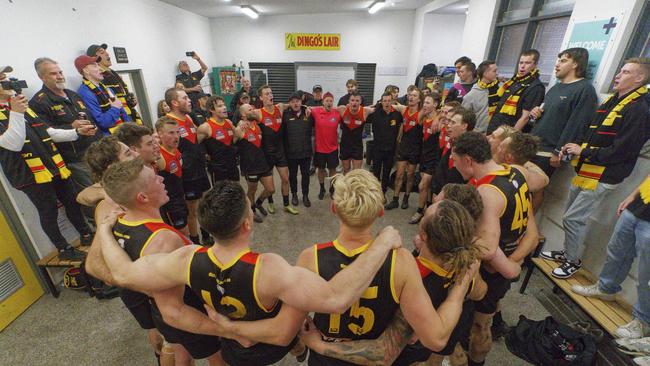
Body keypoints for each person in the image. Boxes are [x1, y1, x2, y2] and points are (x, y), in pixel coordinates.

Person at [97, 178, 402, 365]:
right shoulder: (270, 268)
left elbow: (122, 274)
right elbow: (336, 298)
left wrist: (104, 231)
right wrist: (383, 241)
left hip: (231, 348)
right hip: (265, 348)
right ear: (247, 223)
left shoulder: (186, 258)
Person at [300, 199, 487, 366]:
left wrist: (320, 345)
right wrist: (459, 291)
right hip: (432, 345)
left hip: (403, 354)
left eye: (427, 210)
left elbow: (384, 353)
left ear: (424, 235)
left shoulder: (410, 275)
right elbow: (480, 292)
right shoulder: (467, 264)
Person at [98, 159, 224, 365]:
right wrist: (228, 329)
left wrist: (103, 229)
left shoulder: (120, 221)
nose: (161, 178)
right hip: (188, 310)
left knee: (180, 355)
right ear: (143, 197)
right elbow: (174, 311)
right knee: (219, 357)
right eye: (154, 179)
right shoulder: (162, 239)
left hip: (157, 308)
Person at [541, 58, 650, 279]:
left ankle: (572, 260)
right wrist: (577, 147)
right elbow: (592, 133)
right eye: (620, 70)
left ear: (640, 78)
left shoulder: (639, 108)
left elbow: (623, 150)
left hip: (605, 174)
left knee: (573, 218)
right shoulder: (613, 101)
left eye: (626, 72)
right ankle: (567, 252)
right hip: (587, 168)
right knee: (571, 214)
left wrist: (585, 151)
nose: (618, 75)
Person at [451, 131, 539, 366]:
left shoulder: (487, 192)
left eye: (456, 160)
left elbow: (487, 249)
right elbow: (532, 231)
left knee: (459, 330)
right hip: (506, 264)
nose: (454, 165)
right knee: (484, 323)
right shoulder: (516, 171)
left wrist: (509, 267)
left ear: (468, 160)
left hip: (487, 272)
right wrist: (516, 260)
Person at [81, 137, 170, 364]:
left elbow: (85, 193)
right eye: (127, 153)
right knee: (165, 344)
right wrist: (140, 285)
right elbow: (93, 264)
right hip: (145, 291)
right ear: (113, 167)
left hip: (157, 272)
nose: (135, 153)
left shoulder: (129, 187)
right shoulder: (108, 205)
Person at [0, 68, 94, 260]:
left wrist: (75, 133)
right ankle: (63, 249)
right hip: (29, 174)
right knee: (48, 210)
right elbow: (13, 143)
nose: (7, 81)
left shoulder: (19, 105)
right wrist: (16, 113)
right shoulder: (16, 109)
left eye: (5, 77)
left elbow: (46, 131)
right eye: (1, 78)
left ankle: (86, 234)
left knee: (72, 200)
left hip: (52, 165)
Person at [571, 174, 650, 340]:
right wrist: (632, 195)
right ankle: (606, 288)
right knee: (616, 251)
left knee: (646, 274)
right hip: (639, 205)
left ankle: (642, 322)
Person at [530, 47, 598, 202]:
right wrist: (535, 114)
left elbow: (578, 124)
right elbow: (548, 116)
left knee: (535, 191)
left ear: (575, 64)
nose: (557, 64)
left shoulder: (585, 90)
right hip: (533, 146)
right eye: (558, 60)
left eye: (563, 61)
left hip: (548, 153)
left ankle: (527, 225)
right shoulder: (555, 88)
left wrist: (559, 152)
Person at [29, 57, 99, 190]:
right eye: (53, 74)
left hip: (96, 151)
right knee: (94, 196)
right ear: (42, 77)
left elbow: (91, 119)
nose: (60, 76)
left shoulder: (73, 95)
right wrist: (71, 127)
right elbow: (46, 134)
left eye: (60, 72)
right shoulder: (39, 103)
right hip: (77, 160)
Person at [164, 87, 212, 245]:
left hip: (200, 170)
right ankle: (195, 242)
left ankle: (206, 234)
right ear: (175, 103)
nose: (189, 100)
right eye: (184, 98)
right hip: (186, 175)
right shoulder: (168, 123)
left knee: (205, 204)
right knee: (193, 210)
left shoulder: (189, 118)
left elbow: (194, 140)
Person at [246, 85, 298, 214]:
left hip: (280, 152)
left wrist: (305, 107)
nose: (270, 96)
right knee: (270, 185)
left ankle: (286, 204)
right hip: (266, 153)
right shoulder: (258, 112)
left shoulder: (279, 107)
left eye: (271, 93)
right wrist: (243, 122)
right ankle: (270, 202)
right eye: (267, 94)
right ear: (261, 97)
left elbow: (293, 105)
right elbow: (244, 115)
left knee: (285, 179)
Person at [487, 49, 545, 134]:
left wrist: (510, 138)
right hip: (495, 127)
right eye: (521, 62)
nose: (522, 66)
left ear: (535, 65)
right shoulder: (514, 80)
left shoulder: (536, 87)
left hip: (508, 133)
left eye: (527, 63)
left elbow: (525, 118)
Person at [385, 87, 424, 210]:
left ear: (419, 99)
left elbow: (436, 112)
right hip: (403, 147)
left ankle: (406, 197)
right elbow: (388, 104)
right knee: (399, 174)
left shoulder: (422, 113)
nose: (411, 97)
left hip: (415, 148)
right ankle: (395, 199)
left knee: (411, 175)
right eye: (409, 95)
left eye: (414, 96)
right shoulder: (404, 109)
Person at [235, 104, 274, 223]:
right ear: (243, 115)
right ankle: (251, 211)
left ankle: (258, 203)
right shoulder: (240, 127)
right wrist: (239, 125)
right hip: (250, 166)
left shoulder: (257, 125)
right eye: (250, 109)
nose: (253, 110)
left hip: (262, 163)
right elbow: (233, 139)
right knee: (252, 190)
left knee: (271, 189)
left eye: (253, 109)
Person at [409, 93, 443, 224]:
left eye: (428, 103)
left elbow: (446, 113)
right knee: (427, 186)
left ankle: (419, 211)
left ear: (435, 104)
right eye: (424, 103)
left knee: (422, 185)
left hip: (434, 158)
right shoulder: (424, 118)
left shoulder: (439, 120)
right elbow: (418, 119)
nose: (425, 105)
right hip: (424, 155)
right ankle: (427, 208)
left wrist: (438, 117)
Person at [75, 55, 131, 135]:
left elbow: (122, 111)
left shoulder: (107, 89)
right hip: (110, 141)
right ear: (86, 71)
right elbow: (103, 123)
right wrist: (115, 108)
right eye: (95, 66)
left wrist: (129, 129)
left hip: (123, 134)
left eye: (99, 65)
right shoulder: (85, 93)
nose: (101, 69)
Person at [87, 43, 142, 124]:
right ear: (94, 59)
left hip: (130, 116)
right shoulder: (99, 78)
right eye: (102, 52)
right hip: (121, 120)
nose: (107, 53)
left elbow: (122, 97)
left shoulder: (113, 73)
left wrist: (130, 101)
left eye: (106, 51)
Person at [154, 117, 189, 235]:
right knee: (182, 235)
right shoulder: (159, 155)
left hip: (181, 197)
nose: (176, 136)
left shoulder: (175, 149)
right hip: (170, 205)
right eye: (171, 133)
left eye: (178, 132)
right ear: (160, 134)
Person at [196, 96, 239, 183]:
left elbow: (236, 138)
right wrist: (204, 154)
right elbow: (195, 145)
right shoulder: (205, 127)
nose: (224, 108)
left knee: (236, 193)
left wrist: (242, 125)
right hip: (218, 169)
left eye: (224, 105)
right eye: (220, 106)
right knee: (221, 195)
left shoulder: (229, 123)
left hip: (232, 165)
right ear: (212, 110)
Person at [367, 91, 403, 193]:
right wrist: (374, 106)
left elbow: (403, 123)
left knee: (387, 172)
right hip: (377, 149)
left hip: (390, 150)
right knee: (376, 172)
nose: (387, 103)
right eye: (384, 101)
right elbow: (362, 113)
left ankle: (383, 191)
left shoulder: (397, 114)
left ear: (392, 101)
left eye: (389, 101)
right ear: (381, 102)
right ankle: (375, 192)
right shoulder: (375, 113)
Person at [332, 91, 375, 173]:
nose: (354, 103)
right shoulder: (342, 109)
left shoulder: (365, 111)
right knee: (346, 170)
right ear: (349, 101)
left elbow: (381, 107)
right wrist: (308, 108)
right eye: (352, 100)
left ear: (360, 102)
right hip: (345, 146)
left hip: (357, 147)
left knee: (356, 173)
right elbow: (327, 107)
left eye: (357, 101)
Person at [283, 92, 313, 207]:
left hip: (306, 152)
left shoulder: (309, 114)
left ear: (301, 102)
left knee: (306, 176)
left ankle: (305, 195)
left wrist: (307, 107)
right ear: (289, 103)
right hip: (291, 153)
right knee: (293, 176)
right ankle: (294, 195)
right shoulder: (285, 115)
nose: (295, 104)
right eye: (293, 102)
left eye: (298, 101)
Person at [311, 92, 342, 200]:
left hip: (333, 148)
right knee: (321, 170)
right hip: (320, 148)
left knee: (333, 170)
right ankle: (322, 188)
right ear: (323, 102)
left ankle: (332, 188)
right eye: (327, 101)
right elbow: (307, 107)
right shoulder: (316, 111)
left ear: (333, 102)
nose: (329, 103)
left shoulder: (337, 113)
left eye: (330, 101)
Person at [462, 61, 500, 133]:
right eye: (494, 71)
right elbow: (464, 119)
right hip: (478, 135)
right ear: (485, 73)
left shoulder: (500, 89)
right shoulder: (471, 95)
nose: (497, 73)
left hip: (496, 134)